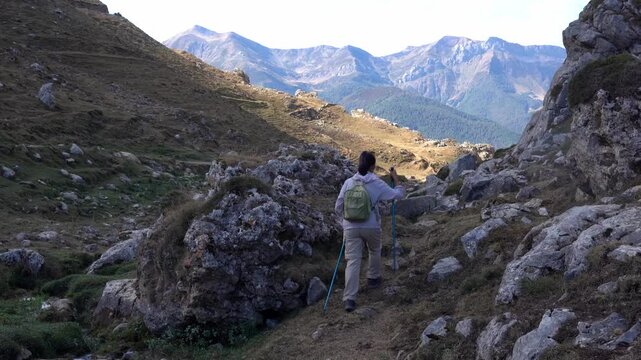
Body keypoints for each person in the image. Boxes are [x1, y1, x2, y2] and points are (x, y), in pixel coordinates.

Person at [334, 151, 405, 312]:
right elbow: (398, 195)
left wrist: (344, 224)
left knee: (353, 260)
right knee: (374, 249)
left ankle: (350, 299)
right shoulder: (376, 182)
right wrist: (396, 179)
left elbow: (338, 206)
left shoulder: (348, 183)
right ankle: (373, 278)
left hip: (350, 227)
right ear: (373, 166)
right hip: (371, 225)